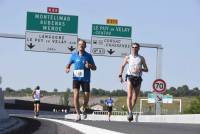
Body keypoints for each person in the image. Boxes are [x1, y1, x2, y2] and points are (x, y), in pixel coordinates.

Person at [65, 39, 97, 121]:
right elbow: (68, 64)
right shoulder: (74, 55)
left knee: (86, 97)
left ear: (85, 46)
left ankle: (83, 107)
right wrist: (67, 68)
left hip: (85, 78)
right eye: (79, 44)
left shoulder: (88, 56)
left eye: (82, 44)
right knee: (76, 95)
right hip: (76, 77)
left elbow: (95, 68)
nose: (81, 46)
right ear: (78, 46)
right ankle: (78, 114)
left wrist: (89, 66)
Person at [119, 43, 148, 122]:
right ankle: (130, 112)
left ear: (138, 49)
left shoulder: (141, 58)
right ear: (131, 48)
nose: (134, 48)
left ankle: (130, 110)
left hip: (138, 78)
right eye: (133, 47)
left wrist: (141, 69)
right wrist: (120, 75)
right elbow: (122, 66)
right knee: (130, 95)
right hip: (130, 77)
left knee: (135, 98)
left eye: (136, 47)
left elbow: (147, 69)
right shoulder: (128, 57)